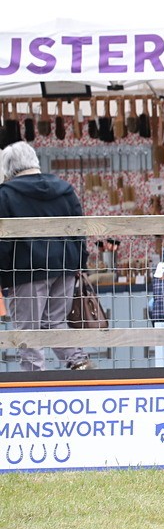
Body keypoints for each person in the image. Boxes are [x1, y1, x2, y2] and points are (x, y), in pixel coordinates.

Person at [0, 142, 92, 370]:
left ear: (8, 166)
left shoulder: (5, 195)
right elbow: (79, 230)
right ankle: (77, 361)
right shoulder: (65, 188)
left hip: (26, 270)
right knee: (56, 320)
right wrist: (80, 263)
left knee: (28, 327)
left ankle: (33, 378)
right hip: (65, 266)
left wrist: (2, 275)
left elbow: (3, 241)